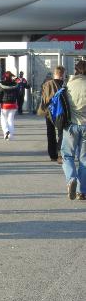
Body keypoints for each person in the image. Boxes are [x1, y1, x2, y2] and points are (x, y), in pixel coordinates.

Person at [61, 60, 86, 200]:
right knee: (84, 159)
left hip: (71, 125)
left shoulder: (69, 85)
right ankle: (82, 191)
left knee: (67, 155)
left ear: (76, 70)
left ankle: (71, 179)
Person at [37, 66, 65, 163]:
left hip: (50, 112)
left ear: (55, 74)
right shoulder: (65, 85)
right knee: (62, 133)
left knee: (51, 133)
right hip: (62, 113)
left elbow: (44, 99)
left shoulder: (47, 84)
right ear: (63, 74)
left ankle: (53, 155)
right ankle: (61, 153)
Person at [0, 71, 19, 140]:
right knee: (10, 120)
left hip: (4, 105)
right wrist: (16, 78)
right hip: (13, 104)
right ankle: (11, 135)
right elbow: (19, 93)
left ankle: (6, 131)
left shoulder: (1, 84)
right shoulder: (15, 84)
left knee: (3, 119)